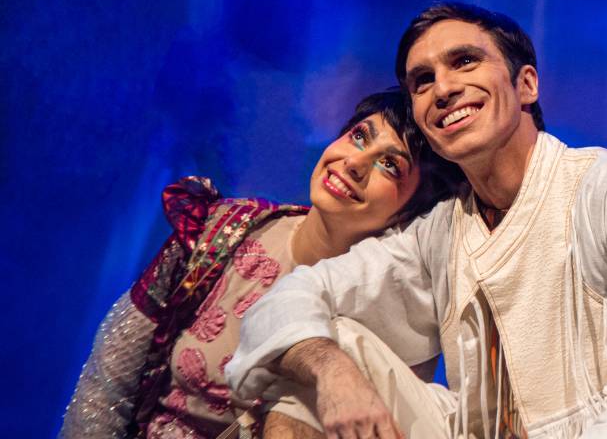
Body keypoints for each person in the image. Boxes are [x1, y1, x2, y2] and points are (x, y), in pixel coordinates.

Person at [228, 3, 607, 438]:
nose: (444, 88)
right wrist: (331, 371)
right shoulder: (442, 232)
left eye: (465, 62)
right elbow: (292, 297)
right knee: (319, 354)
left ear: (526, 85)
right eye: (423, 80)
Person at [60, 89, 455, 439]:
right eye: (358, 137)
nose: (354, 163)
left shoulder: (392, 320)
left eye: (390, 165)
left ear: (412, 212)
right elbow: (110, 377)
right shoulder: (224, 228)